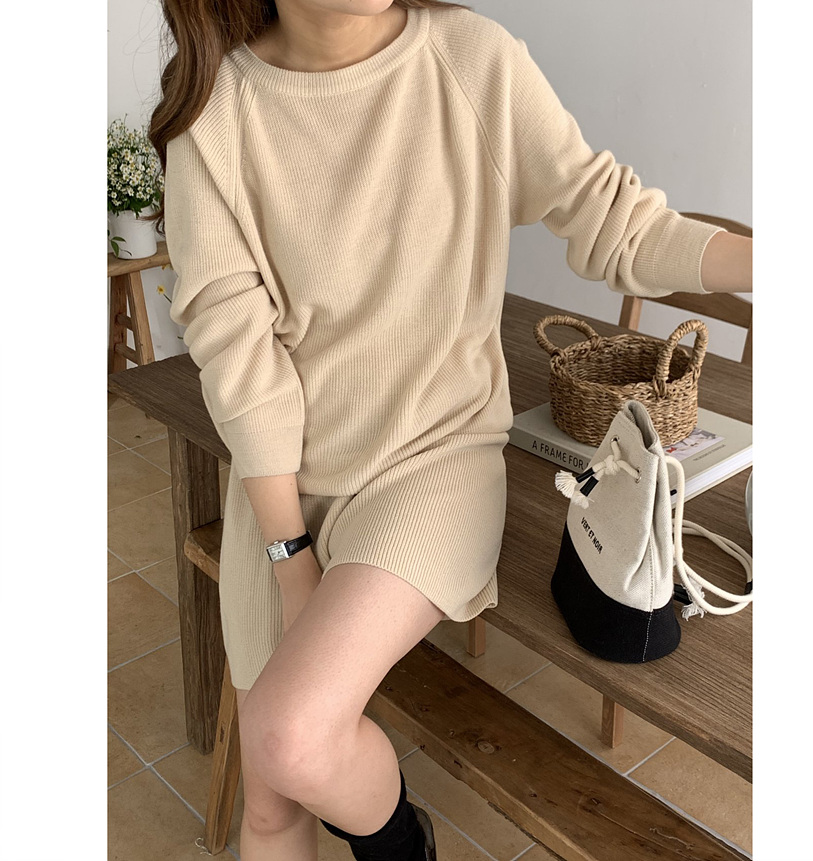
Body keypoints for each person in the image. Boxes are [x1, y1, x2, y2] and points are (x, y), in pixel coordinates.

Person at [147, 1, 752, 859]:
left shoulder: (470, 59)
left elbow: (617, 221)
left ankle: (402, 847)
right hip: (280, 484)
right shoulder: (217, 110)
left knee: (291, 735)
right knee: (273, 805)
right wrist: (289, 556)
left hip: (433, 463)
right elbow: (239, 359)